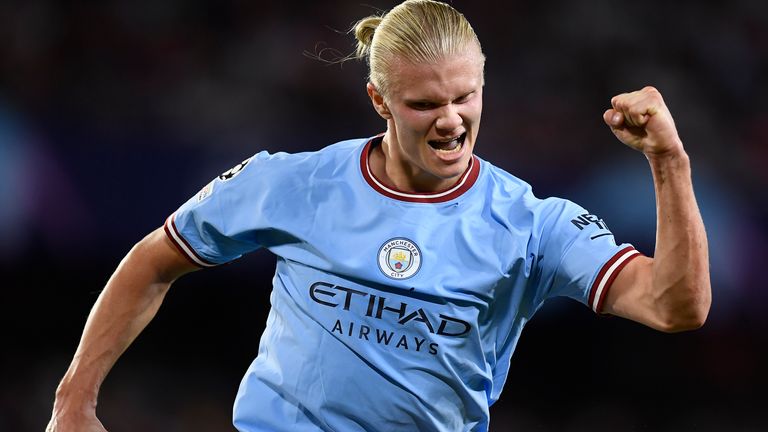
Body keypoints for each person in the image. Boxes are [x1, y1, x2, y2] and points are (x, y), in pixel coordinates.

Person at [46, 0, 711, 431]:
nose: (451, 120)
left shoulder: (532, 224)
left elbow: (675, 306)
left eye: (466, 96)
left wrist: (669, 163)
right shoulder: (294, 182)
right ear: (379, 100)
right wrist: (74, 398)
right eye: (425, 104)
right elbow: (155, 259)